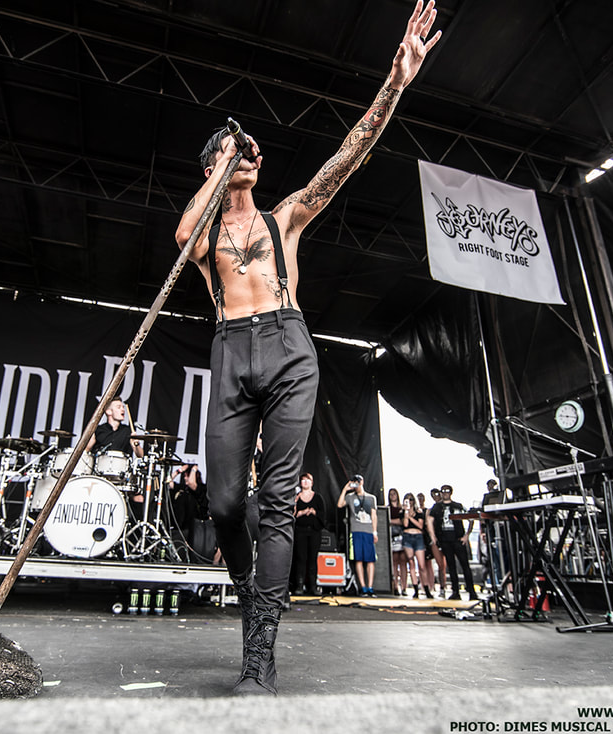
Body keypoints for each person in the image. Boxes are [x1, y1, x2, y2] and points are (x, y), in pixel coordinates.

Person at [173, 1, 442, 696]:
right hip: (232, 350)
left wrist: (396, 82)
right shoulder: (204, 236)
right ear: (215, 163)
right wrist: (221, 161)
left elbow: (348, 156)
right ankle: (249, 590)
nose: (252, 154)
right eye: (238, 149)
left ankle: (258, 657)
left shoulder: (284, 216)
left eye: (252, 149)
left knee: (276, 500)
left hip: (289, 347)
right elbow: (183, 236)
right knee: (225, 503)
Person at [430, 484, 478, 600]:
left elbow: (471, 518)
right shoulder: (437, 507)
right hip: (445, 539)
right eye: (443, 491)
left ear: (451, 493)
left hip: (458, 538)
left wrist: (467, 535)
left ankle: (471, 591)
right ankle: (455, 591)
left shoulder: (458, 506)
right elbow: (430, 520)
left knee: (465, 565)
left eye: (447, 491)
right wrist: (433, 536)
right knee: (451, 566)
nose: (445, 493)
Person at [337, 474, 378, 598]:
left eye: (358, 482)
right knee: (358, 559)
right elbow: (339, 504)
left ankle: (370, 587)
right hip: (355, 531)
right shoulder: (350, 497)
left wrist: (374, 531)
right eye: (354, 482)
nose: (356, 484)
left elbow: (374, 515)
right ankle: (363, 587)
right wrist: (345, 489)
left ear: (362, 482)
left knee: (370, 560)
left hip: (368, 531)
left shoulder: (371, 498)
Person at [290, 472, 325, 595]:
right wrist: (300, 512)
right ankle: (299, 585)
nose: (305, 482)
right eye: (303, 480)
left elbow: (323, 515)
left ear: (312, 482)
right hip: (300, 531)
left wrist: (314, 512)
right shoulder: (297, 497)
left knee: (312, 559)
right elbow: (291, 514)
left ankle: (313, 586)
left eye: (308, 480)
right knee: (300, 558)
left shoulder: (317, 497)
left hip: (314, 531)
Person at [400, 492, 427, 598]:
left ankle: (425, 587)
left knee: (422, 565)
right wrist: (406, 512)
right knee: (411, 562)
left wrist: (411, 517)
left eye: (411, 499)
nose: (409, 502)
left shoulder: (419, 512)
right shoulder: (402, 512)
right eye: (407, 500)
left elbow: (420, 525)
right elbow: (405, 524)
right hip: (407, 536)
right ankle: (415, 588)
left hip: (418, 536)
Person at [425, 487, 447, 596]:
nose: (435, 496)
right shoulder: (431, 510)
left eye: (437, 494)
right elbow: (427, 523)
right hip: (436, 538)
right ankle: (442, 587)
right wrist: (432, 537)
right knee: (440, 564)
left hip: (446, 537)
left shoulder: (445, 507)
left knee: (444, 565)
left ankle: (444, 586)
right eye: (433, 495)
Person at [387, 489, 406, 596]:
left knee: (403, 561)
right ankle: (395, 586)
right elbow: (385, 520)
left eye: (394, 494)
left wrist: (392, 521)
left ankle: (404, 587)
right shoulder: (388, 509)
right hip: (392, 536)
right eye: (391, 494)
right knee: (394, 562)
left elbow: (403, 521)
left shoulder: (402, 508)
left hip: (402, 536)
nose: (392, 496)